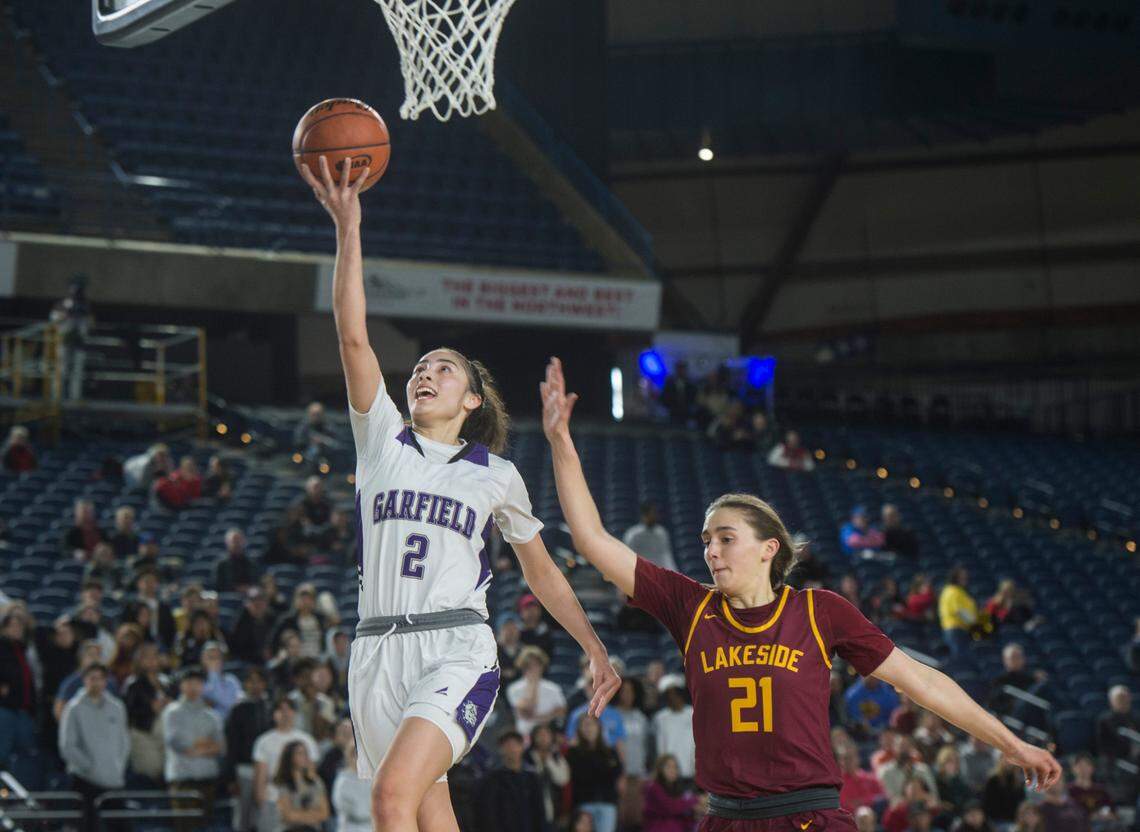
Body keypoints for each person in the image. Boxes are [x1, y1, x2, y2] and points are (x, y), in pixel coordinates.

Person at [539, 354, 1061, 830]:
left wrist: (1010, 744)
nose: (711, 552)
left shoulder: (819, 611)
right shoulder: (690, 606)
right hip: (725, 818)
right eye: (705, 541)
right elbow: (592, 538)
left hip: (807, 816)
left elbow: (920, 681)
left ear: (769, 549)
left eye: (725, 538)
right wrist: (562, 442)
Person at [303, 154, 619, 832]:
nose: (425, 372)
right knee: (426, 808)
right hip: (376, 652)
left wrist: (593, 646)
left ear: (471, 399)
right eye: (419, 365)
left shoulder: (494, 474)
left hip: (455, 648)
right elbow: (353, 334)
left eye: (442, 368)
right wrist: (349, 229)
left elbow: (542, 572)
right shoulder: (380, 437)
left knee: (387, 802)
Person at [58, 664, 131, 832]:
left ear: (106, 681)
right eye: (92, 678)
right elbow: (67, 745)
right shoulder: (74, 708)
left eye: (100, 678)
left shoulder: (117, 707)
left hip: (114, 780)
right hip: (85, 780)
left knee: (121, 827)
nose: (96, 683)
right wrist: (89, 767)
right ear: (84, 681)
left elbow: (124, 740)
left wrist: (118, 766)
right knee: (87, 826)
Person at [163, 666, 225, 831]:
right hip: (183, 779)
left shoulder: (212, 715)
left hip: (208, 779)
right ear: (181, 685)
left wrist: (197, 746)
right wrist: (205, 745)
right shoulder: (172, 712)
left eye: (198, 682)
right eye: (189, 682)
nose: (193, 687)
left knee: (206, 826)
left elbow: (220, 746)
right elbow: (180, 746)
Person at [252, 698, 319, 828]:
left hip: (301, 802)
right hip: (273, 800)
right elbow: (260, 778)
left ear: (295, 713)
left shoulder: (307, 740)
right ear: (273, 714)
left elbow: (311, 775)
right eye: (280, 710)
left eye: (289, 709)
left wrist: (312, 805)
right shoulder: (264, 741)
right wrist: (262, 802)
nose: (285, 713)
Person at [225, 668, 273, 832]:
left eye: (259, 681)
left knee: (264, 814)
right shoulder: (238, 709)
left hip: (266, 768)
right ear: (245, 684)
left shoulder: (270, 708)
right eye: (251, 681)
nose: (255, 685)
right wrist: (231, 776)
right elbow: (231, 744)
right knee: (243, 817)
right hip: (244, 768)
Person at [476, 729, 546, 832]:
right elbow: (489, 813)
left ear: (522, 747)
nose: (512, 749)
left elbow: (539, 811)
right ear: (501, 749)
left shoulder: (532, 777)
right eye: (507, 745)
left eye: (516, 744)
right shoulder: (492, 778)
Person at [122, 642, 171, 785]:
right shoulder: (132, 684)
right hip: (143, 734)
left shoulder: (166, 681)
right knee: (151, 773)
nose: (152, 660)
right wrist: (151, 709)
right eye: (146, 657)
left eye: (154, 656)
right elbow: (127, 713)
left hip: (165, 733)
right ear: (139, 660)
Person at [566, 714, 623, 832]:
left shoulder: (610, 752)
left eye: (591, 724)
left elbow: (617, 773)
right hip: (584, 803)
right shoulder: (573, 753)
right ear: (579, 729)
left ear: (599, 727)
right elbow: (578, 777)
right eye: (585, 725)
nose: (589, 728)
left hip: (607, 803)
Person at [0, 607, 37, 776]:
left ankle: (19, 796)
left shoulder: (23, 649)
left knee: (25, 756)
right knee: (2, 754)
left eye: (19, 626)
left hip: (24, 709)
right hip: (5, 709)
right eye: (12, 625)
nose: (17, 629)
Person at [507, 646, 567, 739]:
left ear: (542, 666)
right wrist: (533, 684)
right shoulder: (514, 689)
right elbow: (526, 711)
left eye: (536, 665)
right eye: (529, 666)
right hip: (525, 735)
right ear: (523, 667)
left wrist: (537, 719)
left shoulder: (554, 688)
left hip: (548, 736)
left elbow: (561, 712)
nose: (533, 668)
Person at [272, 740, 330, 832]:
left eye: (306, 753)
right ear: (289, 757)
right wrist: (312, 814)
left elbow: (324, 813)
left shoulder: (316, 782)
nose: (305, 757)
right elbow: (288, 815)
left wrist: (299, 814)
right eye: (300, 753)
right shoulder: (282, 783)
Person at [525, 723, 571, 829]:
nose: (543, 738)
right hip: (531, 806)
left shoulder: (556, 756)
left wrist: (549, 760)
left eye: (546, 735)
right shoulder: (527, 756)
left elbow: (563, 779)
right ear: (533, 737)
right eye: (540, 735)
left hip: (553, 808)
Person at [643, 754, 702, 832]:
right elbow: (671, 807)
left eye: (675, 767)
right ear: (660, 769)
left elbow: (682, 814)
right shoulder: (653, 787)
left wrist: (695, 814)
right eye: (668, 767)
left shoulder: (677, 788)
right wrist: (695, 800)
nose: (673, 770)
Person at [652, 677, 696, 781]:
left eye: (675, 694)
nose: (673, 698)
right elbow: (661, 746)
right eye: (669, 695)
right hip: (669, 773)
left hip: (692, 770)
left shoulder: (693, 713)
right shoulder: (660, 718)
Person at [271, 584, 328, 660]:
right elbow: (273, 641)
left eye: (309, 598)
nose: (305, 602)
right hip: (296, 660)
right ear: (296, 600)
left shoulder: (320, 619)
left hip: (317, 658)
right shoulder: (287, 620)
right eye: (302, 598)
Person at [332, 738, 373, 832]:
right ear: (348, 756)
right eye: (354, 754)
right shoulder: (343, 781)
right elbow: (357, 812)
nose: (358, 758)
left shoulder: (374, 777)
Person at [623, 501, 676, 572]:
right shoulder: (633, 535)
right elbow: (628, 557)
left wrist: (673, 572)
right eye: (652, 514)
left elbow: (666, 555)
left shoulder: (661, 533)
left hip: (658, 574)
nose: (654, 516)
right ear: (644, 515)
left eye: (655, 514)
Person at [939, 566, 978, 659]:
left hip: (961, 630)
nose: (965, 578)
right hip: (955, 630)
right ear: (955, 577)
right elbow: (958, 611)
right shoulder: (952, 591)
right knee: (960, 659)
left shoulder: (959, 591)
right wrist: (973, 623)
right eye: (962, 576)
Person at [229, 588, 275, 665]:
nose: (258, 604)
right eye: (254, 601)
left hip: (271, 661)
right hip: (248, 662)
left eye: (261, 600)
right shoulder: (242, 621)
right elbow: (238, 647)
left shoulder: (273, 618)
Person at [837, 744, 885, 814]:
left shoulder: (868, 777)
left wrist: (864, 801)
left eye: (851, 757)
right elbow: (845, 805)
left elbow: (882, 795)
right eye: (844, 758)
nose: (848, 761)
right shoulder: (837, 782)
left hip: (873, 815)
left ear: (857, 759)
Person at [1095, 684, 1137, 762]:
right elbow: (1103, 746)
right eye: (1120, 699)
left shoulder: (1136, 718)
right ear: (1112, 702)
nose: (1124, 702)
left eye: (1126, 698)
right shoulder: (1105, 720)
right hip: (1116, 759)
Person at [201, 641, 242, 717]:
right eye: (210, 657)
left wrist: (213, 674)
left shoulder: (231, 680)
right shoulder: (198, 682)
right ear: (203, 660)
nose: (214, 661)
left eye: (217, 657)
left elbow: (231, 703)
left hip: (230, 722)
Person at [295, 401, 337, 466]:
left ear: (322, 414)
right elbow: (298, 442)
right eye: (313, 414)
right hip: (305, 459)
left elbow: (336, 444)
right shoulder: (303, 427)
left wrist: (322, 441)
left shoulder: (329, 427)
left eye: (318, 414)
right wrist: (310, 441)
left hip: (326, 460)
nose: (315, 417)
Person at [215, 529, 256, 593]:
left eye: (239, 541)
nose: (237, 544)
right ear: (227, 543)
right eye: (234, 541)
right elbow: (217, 586)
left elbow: (255, 583)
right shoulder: (221, 564)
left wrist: (247, 588)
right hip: (227, 599)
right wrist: (236, 589)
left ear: (244, 542)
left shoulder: (251, 563)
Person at [518, 593, 556, 659]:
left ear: (540, 611)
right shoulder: (517, 632)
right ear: (521, 612)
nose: (531, 611)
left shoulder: (546, 631)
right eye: (527, 608)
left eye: (534, 608)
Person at [661, 360, 698, 426]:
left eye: (682, 369)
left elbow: (693, 398)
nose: (681, 371)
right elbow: (664, 397)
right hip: (673, 411)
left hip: (686, 412)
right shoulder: (670, 383)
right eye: (679, 369)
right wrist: (669, 407)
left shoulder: (690, 383)